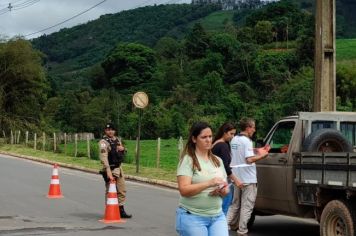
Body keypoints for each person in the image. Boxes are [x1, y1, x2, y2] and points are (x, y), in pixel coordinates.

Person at [175, 121, 229, 236]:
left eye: (210, 136)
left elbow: (226, 188)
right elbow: (184, 190)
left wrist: (223, 190)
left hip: (217, 216)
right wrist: (209, 183)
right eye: (204, 137)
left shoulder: (218, 160)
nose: (208, 140)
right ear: (194, 139)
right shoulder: (188, 160)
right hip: (193, 216)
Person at [227, 118, 269, 236]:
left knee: (235, 204)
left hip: (236, 177)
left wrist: (257, 150)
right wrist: (263, 156)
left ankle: (223, 225)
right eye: (253, 127)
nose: (254, 130)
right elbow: (249, 159)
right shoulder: (247, 141)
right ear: (248, 128)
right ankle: (242, 231)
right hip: (248, 178)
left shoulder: (234, 139)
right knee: (247, 206)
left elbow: (242, 153)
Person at [99, 123, 132, 218]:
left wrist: (123, 149)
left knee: (122, 190)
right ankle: (109, 209)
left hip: (118, 168)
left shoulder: (117, 140)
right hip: (110, 168)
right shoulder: (103, 142)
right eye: (108, 129)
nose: (110, 131)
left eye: (112, 129)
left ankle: (121, 210)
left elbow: (121, 152)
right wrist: (108, 171)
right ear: (105, 131)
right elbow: (103, 157)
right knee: (110, 190)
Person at [212, 122, 243, 216]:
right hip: (223, 183)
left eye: (234, 134)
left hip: (215, 181)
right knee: (223, 211)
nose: (232, 137)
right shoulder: (223, 146)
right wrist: (236, 180)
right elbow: (225, 167)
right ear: (225, 132)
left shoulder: (215, 143)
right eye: (231, 134)